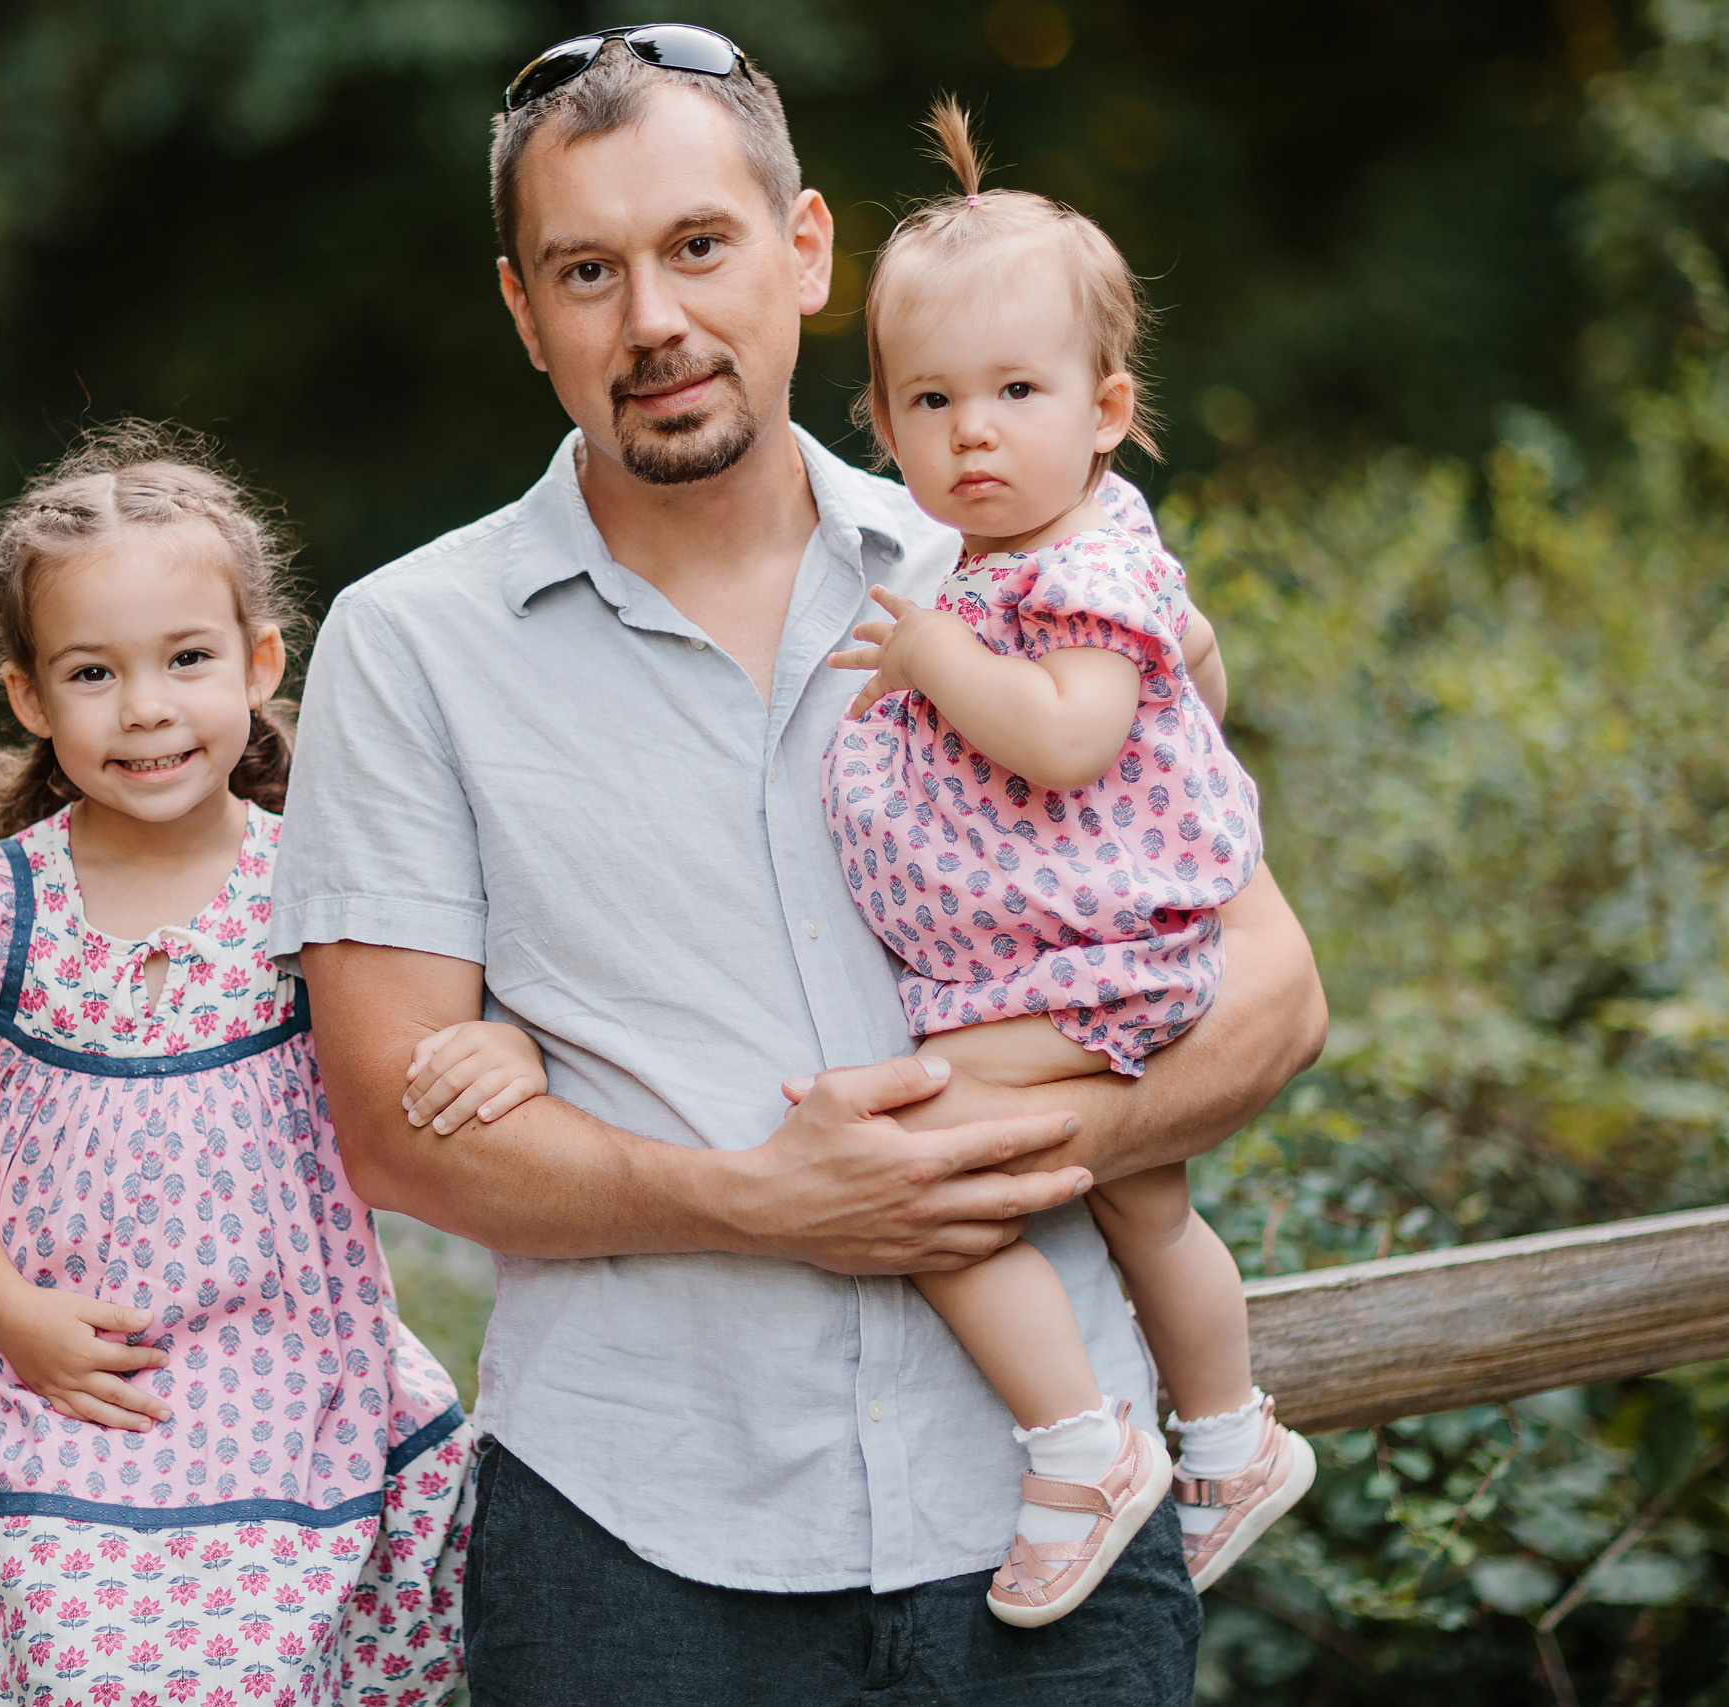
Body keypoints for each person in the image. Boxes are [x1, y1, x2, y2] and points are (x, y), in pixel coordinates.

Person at [272, 26, 1326, 1705]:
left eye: (699, 245)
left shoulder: (1009, 564)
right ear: (523, 310)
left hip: (1048, 1515)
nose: (655, 319)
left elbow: (1269, 988)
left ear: (807, 250)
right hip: (632, 1545)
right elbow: (394, 1128)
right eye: (587, 270)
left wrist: (1012, 1157)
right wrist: (763, 1204)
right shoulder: (412, 647)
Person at [0, 424, 519, 1707]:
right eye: (92, 672)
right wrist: (11, 1320)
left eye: (186, 659)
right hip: (61, 1384)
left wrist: (502, 1036)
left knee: (267, 1653)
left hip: (287, 1378)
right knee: (98, 1661)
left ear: (256, 663)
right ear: (28, 695)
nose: (144, 709)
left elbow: (445, 1032)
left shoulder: (325, 883)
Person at [813, 98, 1315, 1625]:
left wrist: (934, 659)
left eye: (1017, 391)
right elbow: (1178, 694)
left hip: (1110, 958)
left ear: (1104, 407)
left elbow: (1072, 738)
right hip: (1071, 949)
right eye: (931, 399)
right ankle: (1232, 1441)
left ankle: (1082, 1448)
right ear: (882, 424)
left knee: (927, 1171)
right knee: (1146, 1204)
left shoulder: (1068, 568)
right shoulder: (1016, 557)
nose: (974, 433)